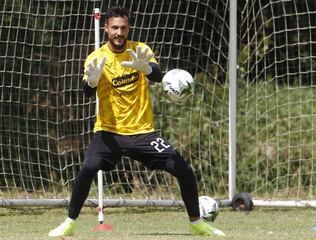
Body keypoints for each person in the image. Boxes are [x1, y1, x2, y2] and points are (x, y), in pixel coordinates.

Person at [48, 6, 224, 237]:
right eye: (114, 28)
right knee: (88, 168)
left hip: (144, 133)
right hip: (109, 133)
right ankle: (69, 223)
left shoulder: (140, 50)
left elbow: (161, 77)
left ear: (128, 28)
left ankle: (197, 223)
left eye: (123, 28)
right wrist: (91, 82)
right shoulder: (96, 58)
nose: (119, 32)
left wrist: (147, 68)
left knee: (184, 170)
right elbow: (86, 92)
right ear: (106, 28)